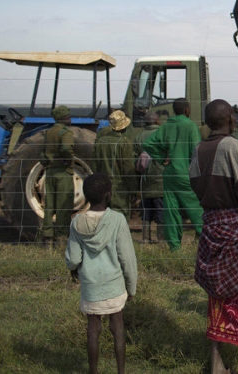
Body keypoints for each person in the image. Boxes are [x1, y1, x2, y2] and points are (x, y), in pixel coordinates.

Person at [190, 99, 238, 374]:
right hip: (237, 230)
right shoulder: (232, 145)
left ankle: (216, 364)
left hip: (212, 227)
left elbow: (196, 186)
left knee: (217, 297)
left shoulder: (199, 149)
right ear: (231, 121)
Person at [65, 173, 137, 374]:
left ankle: (93, 371)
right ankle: (121, 371)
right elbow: (127, 258)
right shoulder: (117, 220)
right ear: (108, 195)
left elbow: (73, 259)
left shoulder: (76, 223)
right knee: (118, 326)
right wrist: (131, 286)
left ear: (86, 196)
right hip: (114, 284)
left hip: (91, 286)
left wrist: (74, 270)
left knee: (93, 329)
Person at [142, 98, 204, 251]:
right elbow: (196, 151)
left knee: (171, 210)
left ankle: (174, 246)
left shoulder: (166, 126)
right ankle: (204, 237)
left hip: (169, 174)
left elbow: (147, 144)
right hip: (187, 173)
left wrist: (163, 157)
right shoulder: (191, 126)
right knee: (195, 208)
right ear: (187, 110)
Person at [41, 105, 76, 244]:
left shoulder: (49, 132)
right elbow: (67, 148)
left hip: (50, 172)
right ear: (64, 118)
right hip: (63, 172)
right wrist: (68, 158)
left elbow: (43, 152)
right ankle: (62, 237)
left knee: (49, 205)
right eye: (68, 116)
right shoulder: (65, 132)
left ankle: (48, 236)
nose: (70, 119)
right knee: (64, 205)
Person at [93, 110, 137, 218]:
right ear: (123, 126)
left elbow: (95, 166)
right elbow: (128, 169)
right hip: (119, 188)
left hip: (102, 186)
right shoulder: (124, 143)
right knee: (119, 218)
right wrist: (134, 190)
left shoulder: (99, 142)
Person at [134, 112, 165, 244]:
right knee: (160, 209)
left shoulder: (138, 137)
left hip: (145, 180)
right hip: (161, 179)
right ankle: (161, 238)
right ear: (157, 121)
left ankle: (146, 237)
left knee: (146, 209)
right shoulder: (163, 134)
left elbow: (135, 159)